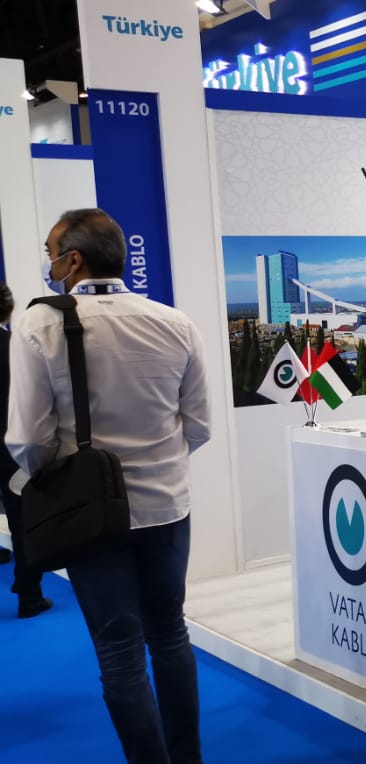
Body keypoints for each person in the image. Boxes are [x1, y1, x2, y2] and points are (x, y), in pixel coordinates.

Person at [9, 209, 211, 763]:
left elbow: (27, 439)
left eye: (51, 253)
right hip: (167, 507)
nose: (48, 264)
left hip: (88, 515)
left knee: (120, 653)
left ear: (73, 260)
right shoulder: (175, 322)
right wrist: (158, 465)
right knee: (170, 634)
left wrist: (56, 476)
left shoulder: (40, 324)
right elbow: (199, 426)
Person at [0, 283, 50, 618]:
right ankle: (30, 596)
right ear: (9, 310)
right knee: (23, 525)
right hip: (11, 450)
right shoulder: (15, 347)